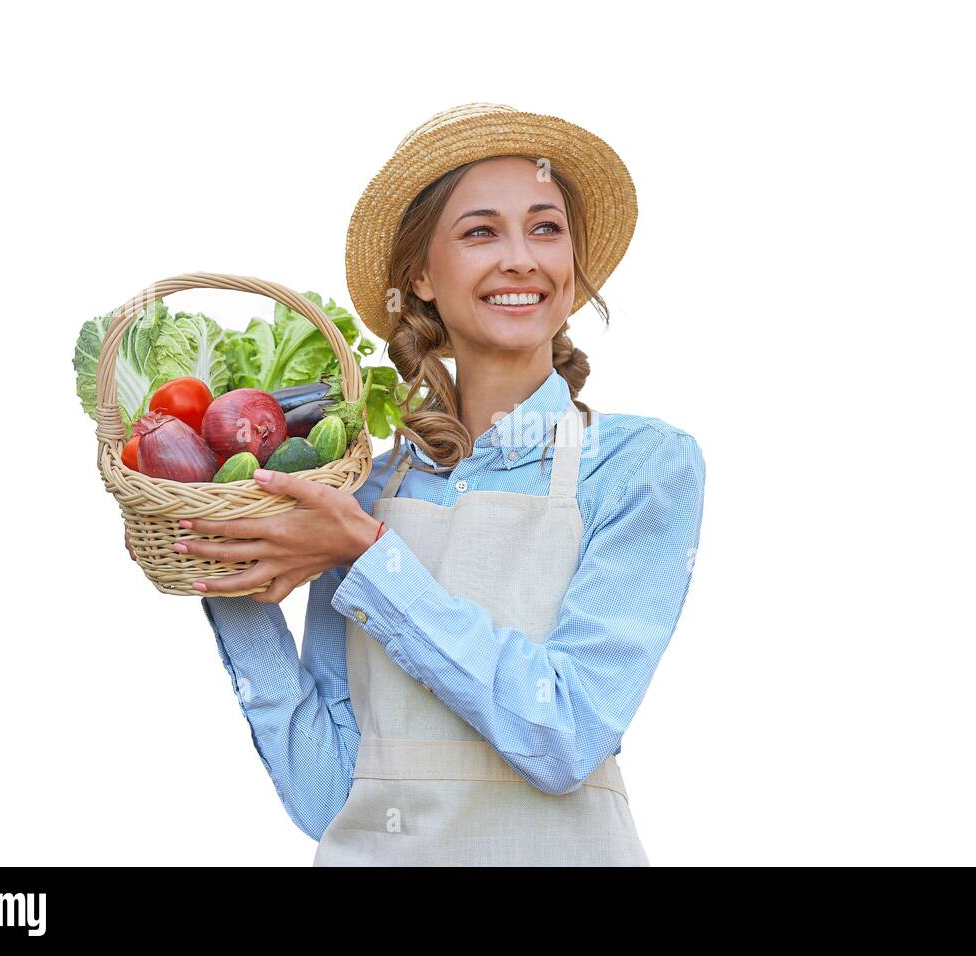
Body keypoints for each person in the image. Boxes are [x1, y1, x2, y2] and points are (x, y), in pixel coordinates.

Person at [132, 103, 707, 865]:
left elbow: (565, 732)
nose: (521, 258)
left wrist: (371, 557)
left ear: (574, 271)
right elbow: (331, 794)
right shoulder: (363, 492)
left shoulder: (638, 466)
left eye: (545, 227)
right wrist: (228, 551)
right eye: (480, 232)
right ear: (422, 278)